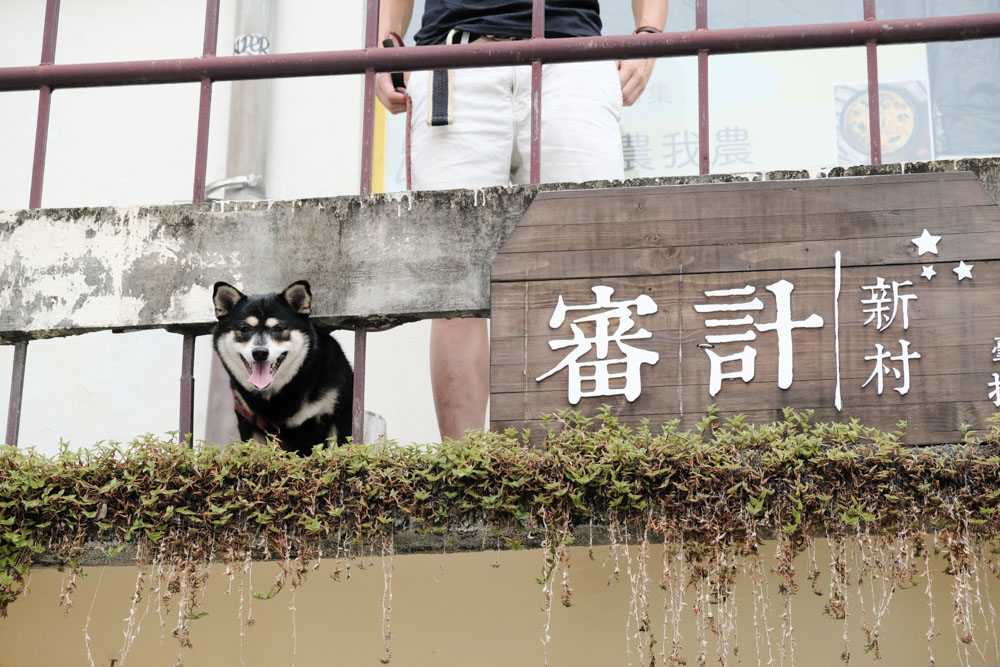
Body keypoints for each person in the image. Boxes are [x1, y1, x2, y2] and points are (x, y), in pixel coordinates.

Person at [376, 0, 669, 441]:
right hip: (454, 59)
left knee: (590, 276)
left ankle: (580, 467)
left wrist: (650, 35)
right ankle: (466, 473)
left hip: (572, 56)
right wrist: (388, 43)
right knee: (457, 287)